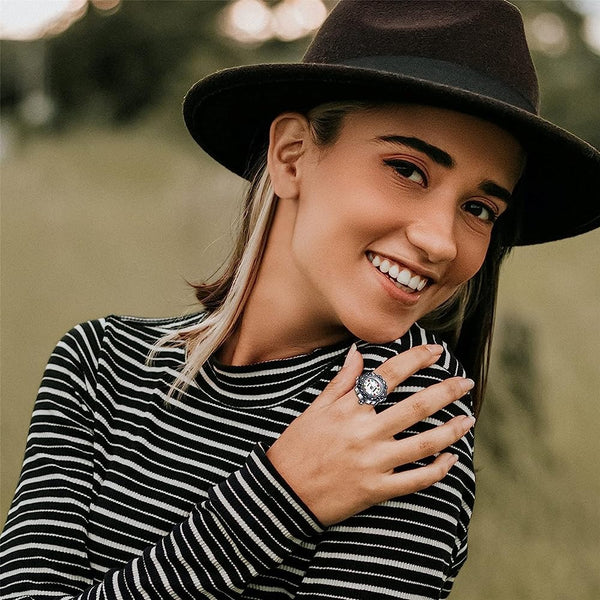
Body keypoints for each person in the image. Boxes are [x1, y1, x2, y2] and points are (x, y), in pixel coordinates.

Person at [1, 1, 598, 598]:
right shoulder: (100, 363)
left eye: (479, 209)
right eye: (408, 170)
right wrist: (280, 497)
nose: (441, 242)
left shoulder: (401, 423)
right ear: (292, 155)